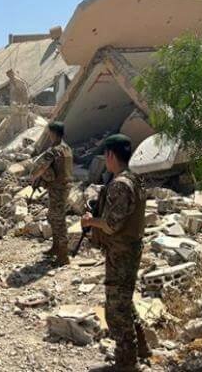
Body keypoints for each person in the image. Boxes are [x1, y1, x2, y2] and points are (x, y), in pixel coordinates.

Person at [82, 134, 151, 371]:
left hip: (121, 253)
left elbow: (111, 225)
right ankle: (141, 347)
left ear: (111, 155)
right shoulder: (136, 179)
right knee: (125, 301)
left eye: (105, 155)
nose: (105, 159)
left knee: (115, 311)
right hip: (129, 249)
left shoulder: (120, 184)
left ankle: (126, 363)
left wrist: (91, 221)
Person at [29, 121, 73, 266]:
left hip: (57, 189)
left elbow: (41, 167)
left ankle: (63, 256)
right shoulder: (67, 148)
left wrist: (33, 177)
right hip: (64, 187)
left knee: (58, 220)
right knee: (54, 217)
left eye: (49, 132)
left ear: (53, 133)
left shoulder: (54, 151)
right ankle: (56, 247)